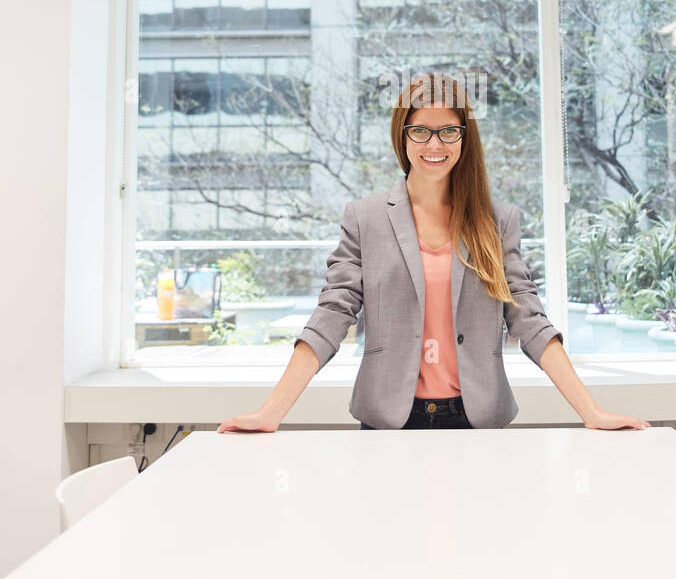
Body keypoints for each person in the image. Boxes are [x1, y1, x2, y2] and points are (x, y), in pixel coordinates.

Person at [218, 72, 650, 433]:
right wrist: (270, 413)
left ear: (464, 138)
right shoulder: (364, 218)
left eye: (448, 131)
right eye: (420, 130)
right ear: (402, 135)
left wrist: (591, 412)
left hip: (475, 418)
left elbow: (530, 321)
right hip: (391, 418)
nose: (434, 144)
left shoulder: (496, 222)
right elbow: (331, 316)